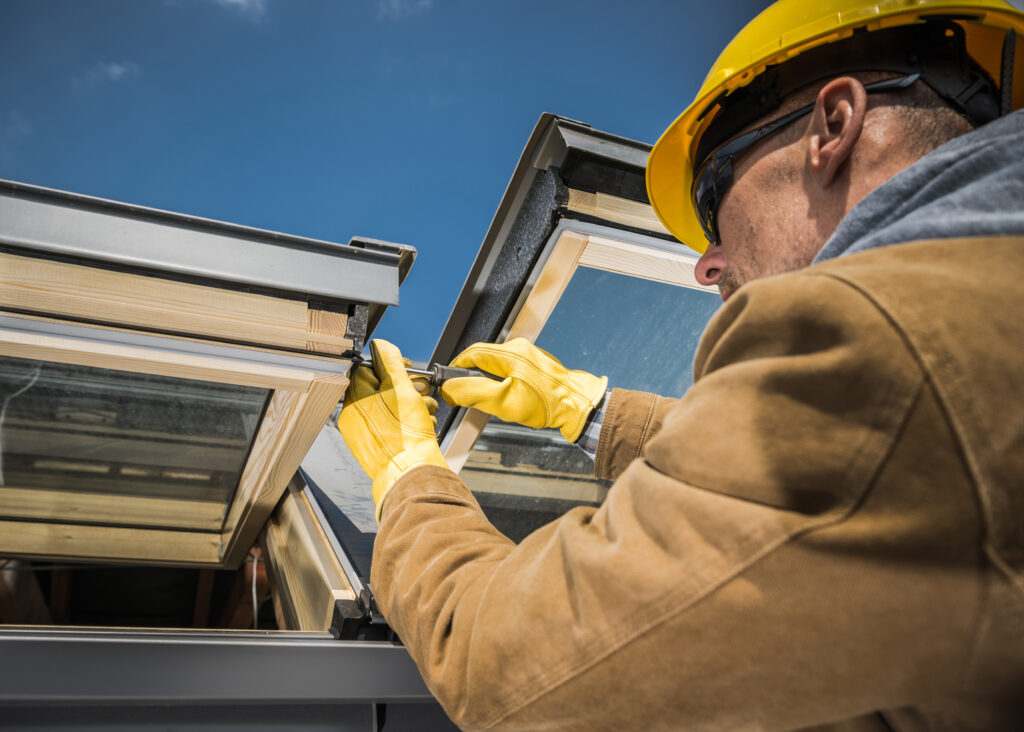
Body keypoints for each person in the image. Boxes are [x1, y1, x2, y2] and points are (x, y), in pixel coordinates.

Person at [338, 1, 1024, 729]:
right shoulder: (976, 300)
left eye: (713, 194)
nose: (706, 265)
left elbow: (510, 669)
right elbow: (816, 483)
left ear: (834, 126)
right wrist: (586, 410)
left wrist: (410, 478)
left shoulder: (886, 341)